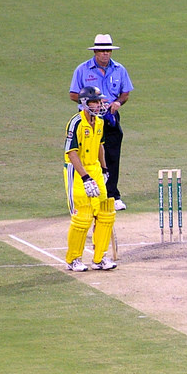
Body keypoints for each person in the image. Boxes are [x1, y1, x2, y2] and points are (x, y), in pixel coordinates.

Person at [70, 34, 133, 211]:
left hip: (111, 117)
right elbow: (74, 94)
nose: (105, 54)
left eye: (108, 50)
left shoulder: (119, 69)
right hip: (89, 118)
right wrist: (93, 103)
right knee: (87, 157)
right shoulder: (82, 70)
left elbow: (125, 93)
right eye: (102, 51)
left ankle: (112, 195)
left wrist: (117, 103)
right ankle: (82, 196)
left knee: (112, 156)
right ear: (95, 51)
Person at [63, 86, 116, 271]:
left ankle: (99, 258)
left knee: (106, 213)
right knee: (83, 217)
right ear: (84, 103)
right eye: (95, 101)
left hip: (95, 169)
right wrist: (85, 178)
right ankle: (73, 259)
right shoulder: (76, 123)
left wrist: (104, 168)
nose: (99, 104)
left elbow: (100, 146)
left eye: (100, 101)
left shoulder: (100, 122)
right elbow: (71, 153)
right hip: (77, 172)